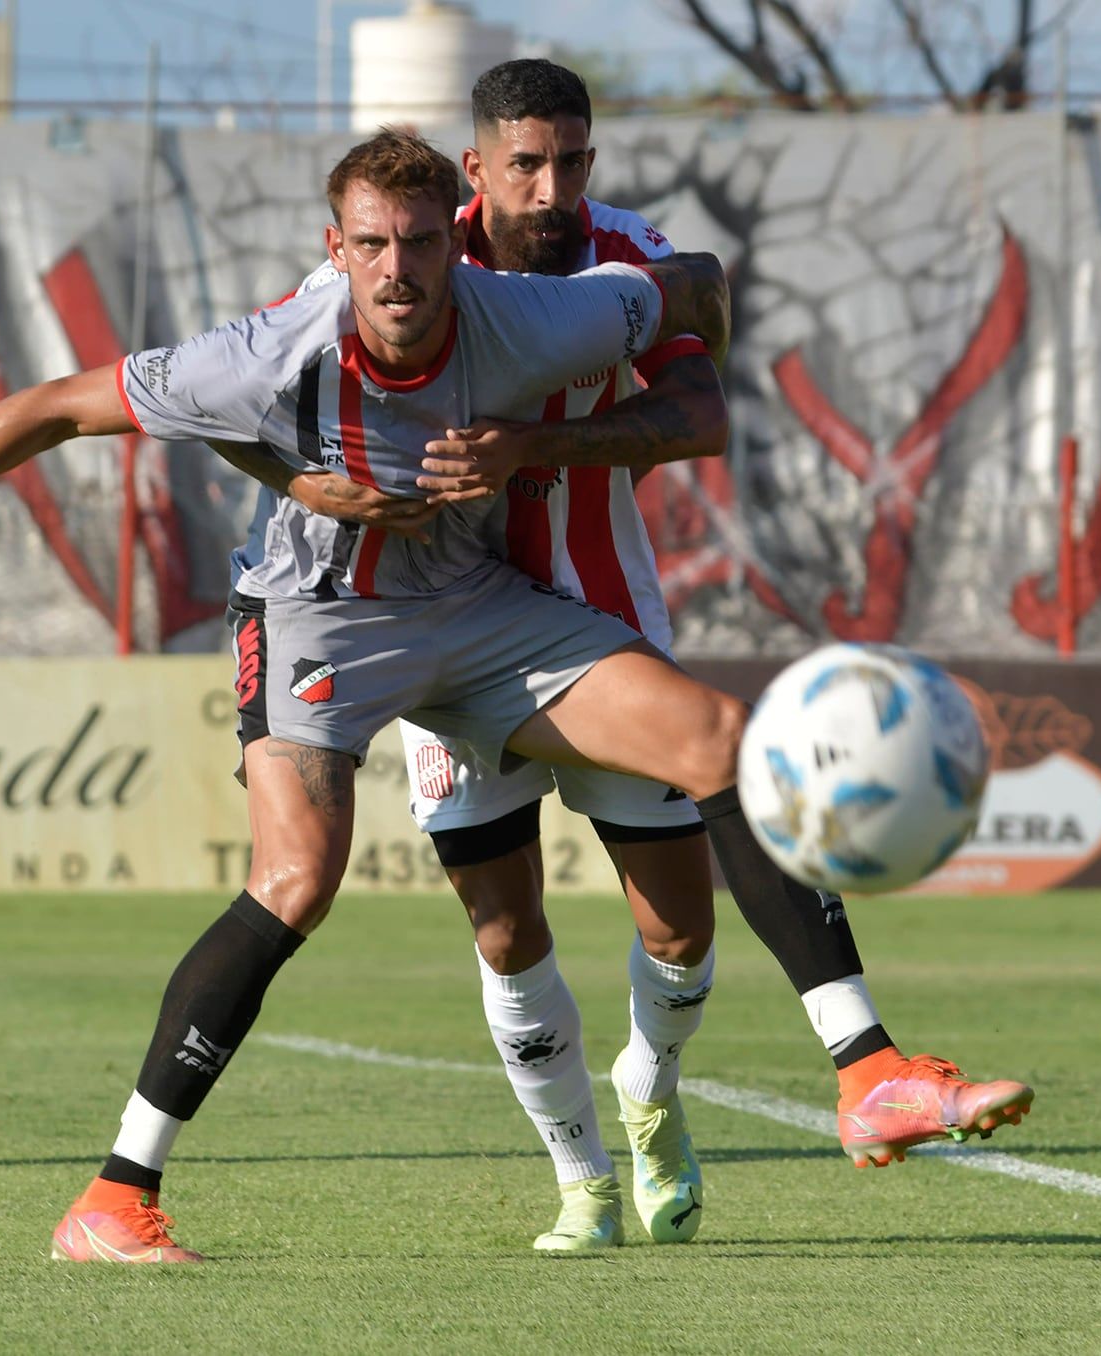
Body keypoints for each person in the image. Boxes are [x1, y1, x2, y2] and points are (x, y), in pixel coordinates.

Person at [0, 129, 804, 1268]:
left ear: (458, 247)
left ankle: (858, 1060)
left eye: (422, 244)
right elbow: (49, 405)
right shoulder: (268, 348)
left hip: (477, 605)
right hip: (314, 613)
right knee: (296, 882)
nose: (398, 270)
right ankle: (115, 1197)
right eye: (373, 245)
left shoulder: (526, 314)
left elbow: (691, 293)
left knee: (712, 748)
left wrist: (641, 388)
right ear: (333, 250)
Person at [222, 59, 1036, 1254]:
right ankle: (581, 1177)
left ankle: (653, 1088)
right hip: (445, 644)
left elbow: (700, 415)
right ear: (476, 170)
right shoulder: (400, 256)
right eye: (525, 166)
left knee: (678, 930)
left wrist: (537, 441)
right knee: (504, 930)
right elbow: (265, 390)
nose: (551, 190)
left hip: (597, 631)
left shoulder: (625, 257)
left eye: (570, 163)